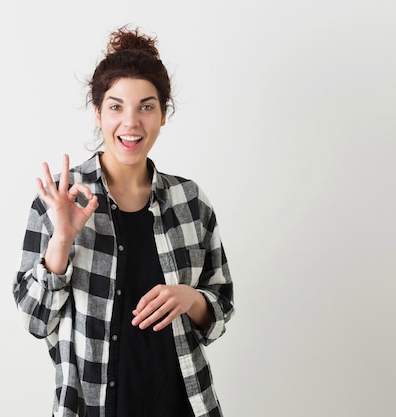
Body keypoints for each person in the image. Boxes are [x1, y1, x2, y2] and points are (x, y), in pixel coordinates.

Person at [13, 25, 234, 417]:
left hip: (184, 405)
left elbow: (220, 310)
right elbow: (36, 319)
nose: (131, 123)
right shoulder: (59, 198)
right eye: (116, 107)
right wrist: (62, 239)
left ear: (163, 115)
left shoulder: (190, 200)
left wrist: (191, 298)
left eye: (146, 107)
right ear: (97, 113)